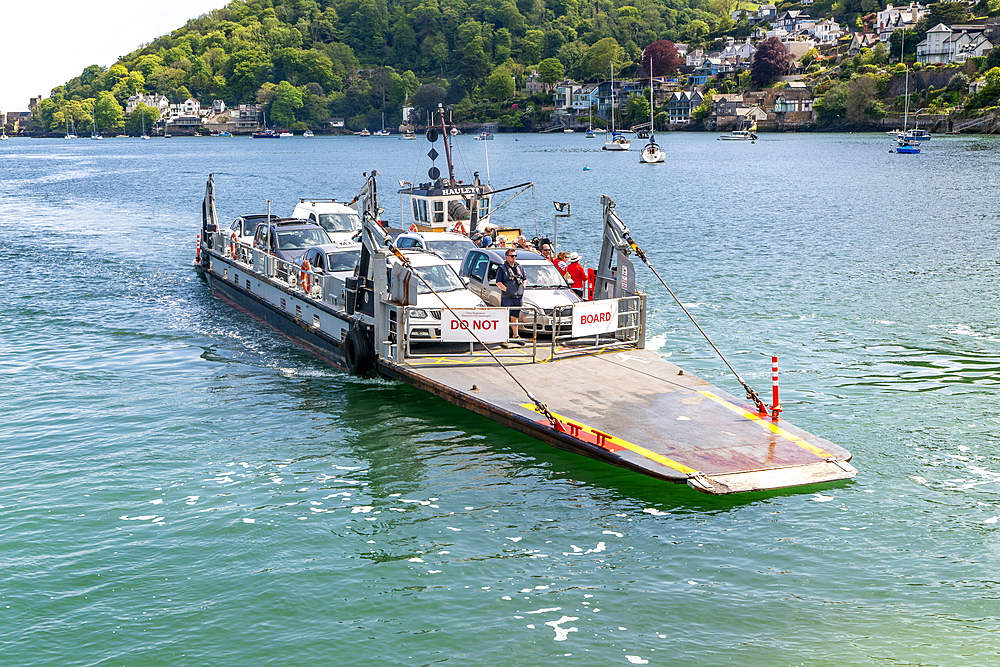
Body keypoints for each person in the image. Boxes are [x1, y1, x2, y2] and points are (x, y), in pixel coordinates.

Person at [495, 249, 526, 342]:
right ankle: (504, 338)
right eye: (512, 256)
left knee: (515, 317)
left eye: (515, 256)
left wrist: (522, 288)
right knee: (505, 317)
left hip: (518, 297)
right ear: (507, 257)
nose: (514, 258)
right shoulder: (501, 268)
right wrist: (507, 290)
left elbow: (524, 278)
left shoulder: (519, 267)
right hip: (507, 297)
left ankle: (515, 336)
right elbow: (498, 282)